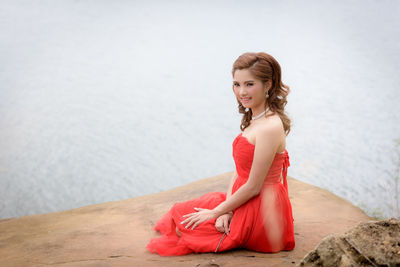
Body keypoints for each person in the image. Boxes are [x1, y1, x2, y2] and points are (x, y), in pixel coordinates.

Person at [146, 51, 295, 256]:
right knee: (182, 212)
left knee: (198, 225)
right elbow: (240, 171)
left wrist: (218, 211)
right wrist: (227, 209)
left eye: (249, 84)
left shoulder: (269, 127)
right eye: (237, 84)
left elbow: (253, 186)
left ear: (268, 85)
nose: (241, 91)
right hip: (244, 194)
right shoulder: (256, 117)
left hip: (262, 207)